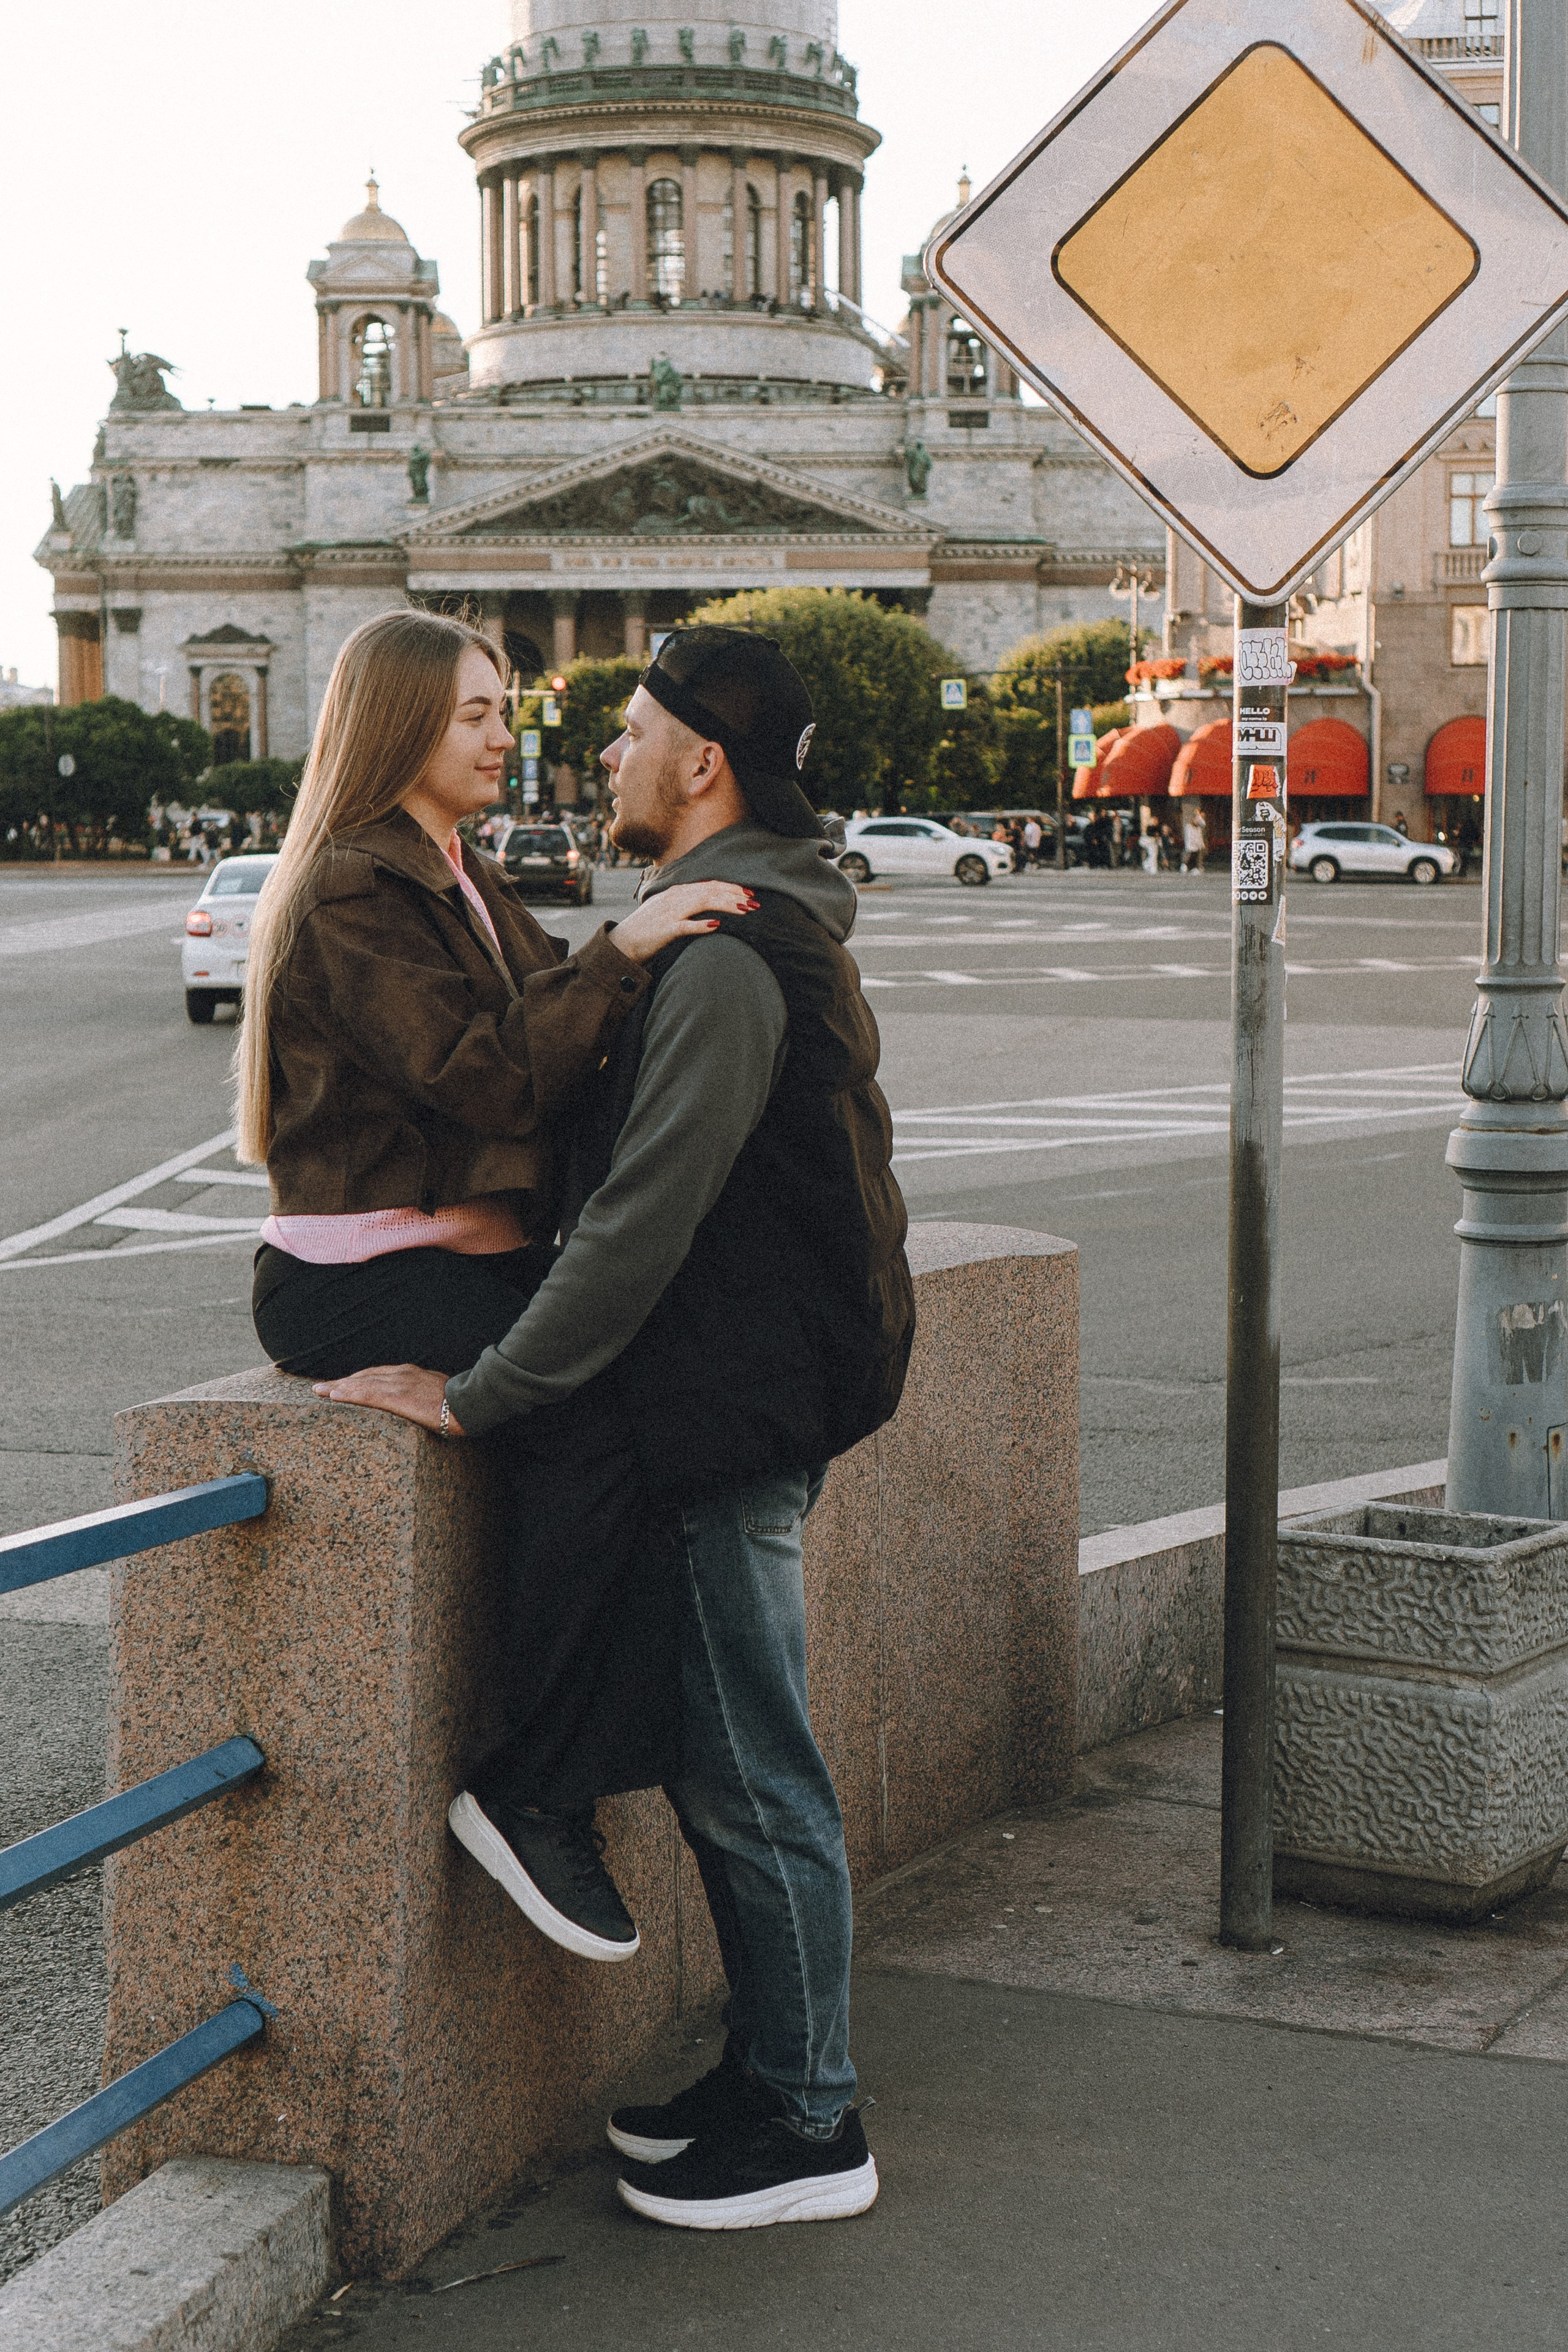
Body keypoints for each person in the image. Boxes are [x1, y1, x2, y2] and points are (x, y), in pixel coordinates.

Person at [315, 625, 915, 2233]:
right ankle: (775, 2072)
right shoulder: (738, 929)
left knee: (755, 1781)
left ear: (701, 762)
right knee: (733, 1769)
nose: (607, 757)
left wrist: (478, 1391)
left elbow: (639, 1231)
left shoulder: (726, 956)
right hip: (738, 1398)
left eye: (634, 731)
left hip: (722, 1414)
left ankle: (808, 2123)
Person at [241, 608, 751, 1835]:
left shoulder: (452, 871)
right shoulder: (354, 885)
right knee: (581, 1405)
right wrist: (624, 948)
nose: (501, 736)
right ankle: (534, 1788)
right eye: (475, 713)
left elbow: (562, 1025)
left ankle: (606, 1752)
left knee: (641, 1374)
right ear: (398, 722)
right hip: (361, 1277)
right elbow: (482, 1071)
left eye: (502, 710)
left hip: (453, 1252)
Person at [1182, 804, 1207, 874]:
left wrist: (1199, 815)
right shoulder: (1189, 827)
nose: (1197, 822)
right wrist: (1198, 814)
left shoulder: (1199, 828)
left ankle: (1195, 868)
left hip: (1197, 845)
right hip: (1191, 844)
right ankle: (1185, 867)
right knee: (1189, 856)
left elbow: (1203, 824)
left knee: (1197, 857)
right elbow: (1190, 837)